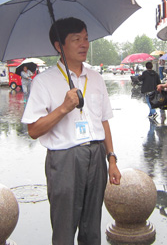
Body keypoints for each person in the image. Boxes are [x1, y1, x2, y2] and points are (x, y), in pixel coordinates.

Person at [21, 17, 121, 244]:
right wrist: (64, 108)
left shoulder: (95, 78)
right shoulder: (43, 82)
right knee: (64, 229)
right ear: (59, 46)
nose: (84, 44)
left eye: (86, 38)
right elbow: (33, 130)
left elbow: (104, 120)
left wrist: (111, 158)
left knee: (92, 227)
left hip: (96, 156)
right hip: (65, 158)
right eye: (76, 39)